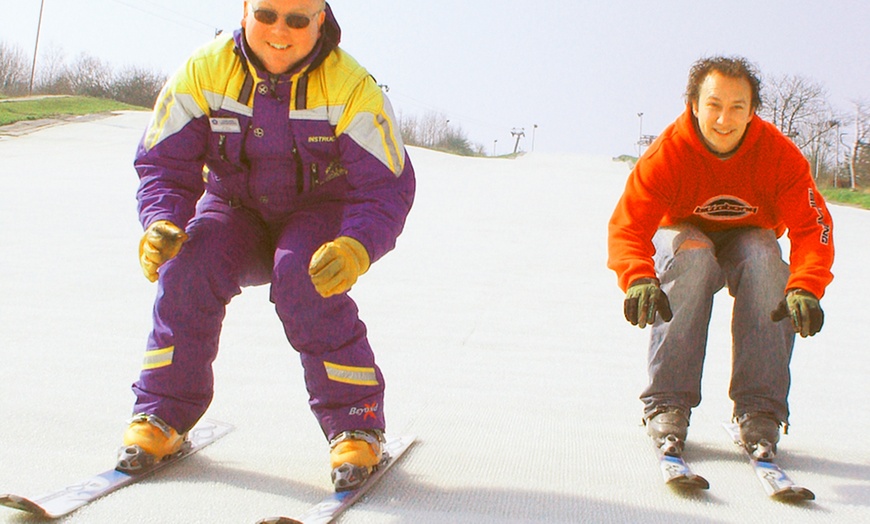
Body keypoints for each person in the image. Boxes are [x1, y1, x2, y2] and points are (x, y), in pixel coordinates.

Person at [119, 0, 415, 491]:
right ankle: (161, 416)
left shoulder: (350, 87)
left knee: (304, 277)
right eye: (268, 15)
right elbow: (163, 162)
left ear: (320, 21)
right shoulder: (204, 71)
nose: (281, 31)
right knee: (186, 268)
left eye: (298, 19)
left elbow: (386, 185)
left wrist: (357, 245)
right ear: (244, 13)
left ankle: (356, 423)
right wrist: (161, 222)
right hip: (234, 208)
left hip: (316, 214)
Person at [607, 56, 833, 459]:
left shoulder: (780, 156)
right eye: (713, 105)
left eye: (737, 107)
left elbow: (812, 227)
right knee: (693, 258)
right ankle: (667, 402)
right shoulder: (669, 153)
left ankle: (759, 409)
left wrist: (806, 285)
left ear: (752, 112)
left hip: (749, 234)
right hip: (684, 231)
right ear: (694, 105)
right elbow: (628, 225)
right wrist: (638, 276)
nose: (723, 119)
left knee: (766, 262)